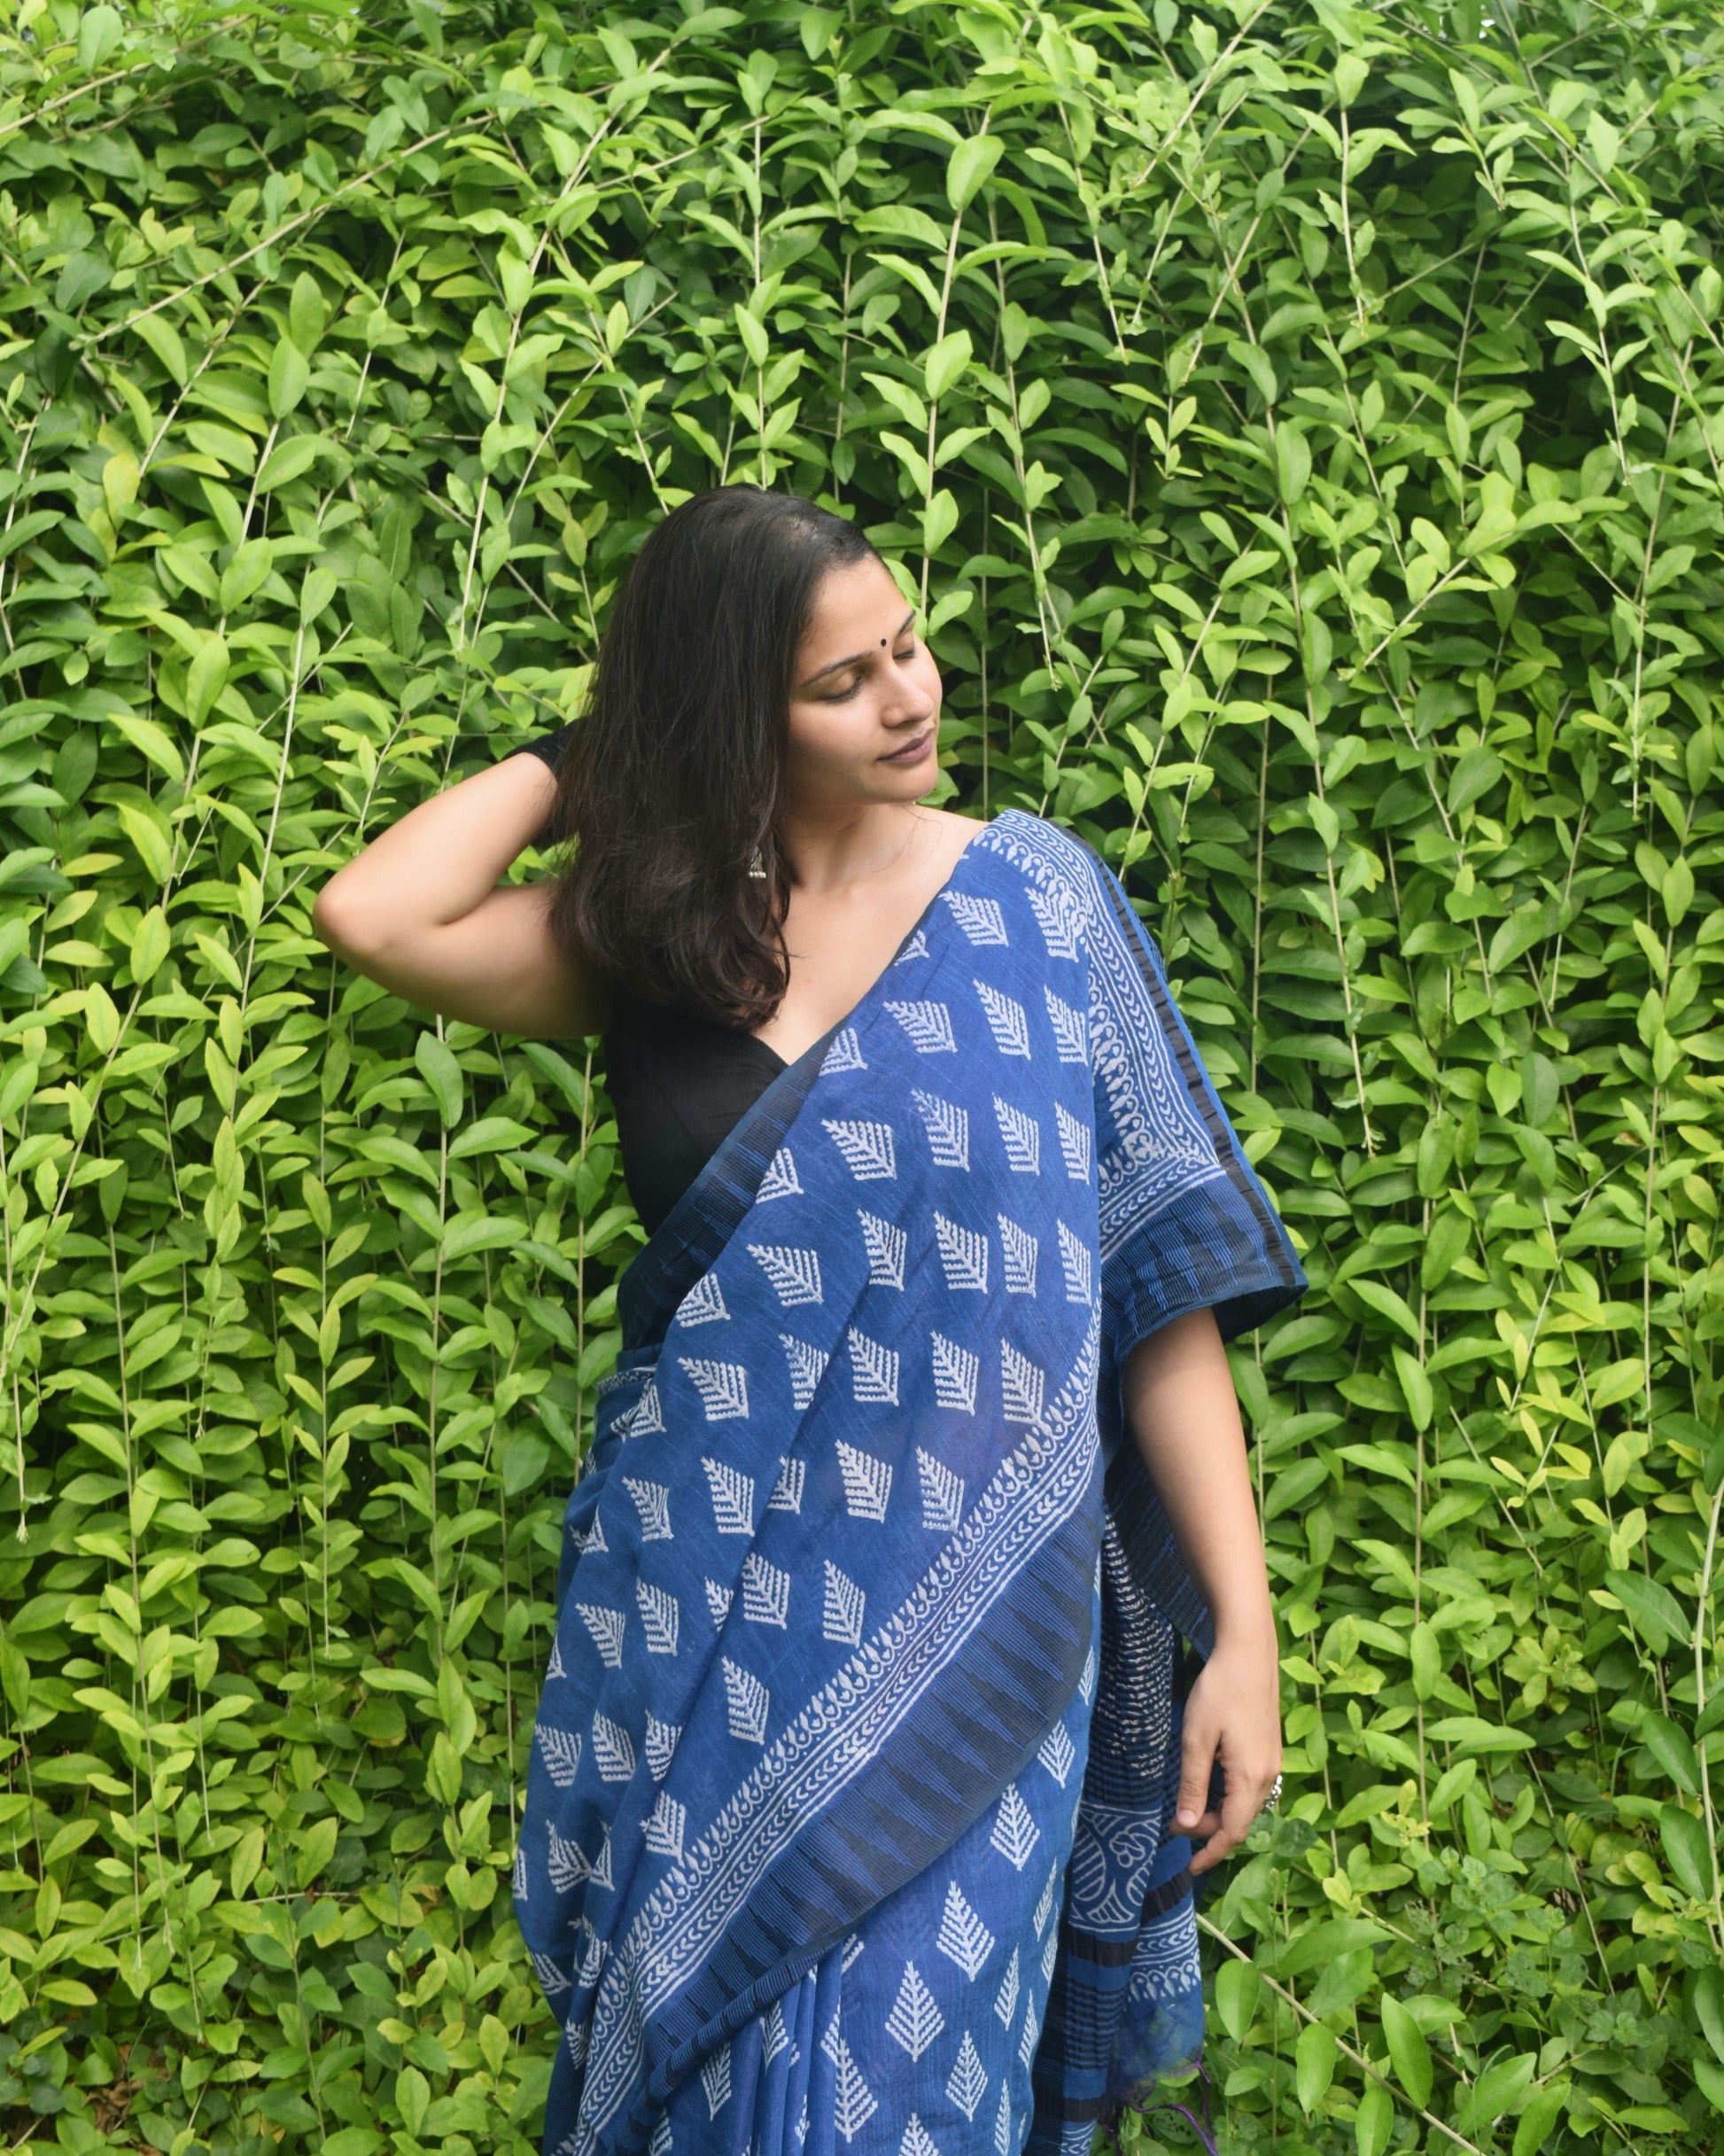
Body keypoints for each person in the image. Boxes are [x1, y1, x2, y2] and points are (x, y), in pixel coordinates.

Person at [312, 486, 1303, 2156]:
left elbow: (1157, 1300)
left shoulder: (1038, 914)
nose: (908, 695)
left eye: (906, 645)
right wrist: (598, 749)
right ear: (728, 713)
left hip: (976, 1653)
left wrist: (1246, 1635)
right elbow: (377, 914)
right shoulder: (656, 942)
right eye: (839, 681)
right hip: (703, 1642)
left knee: (893, 2104)